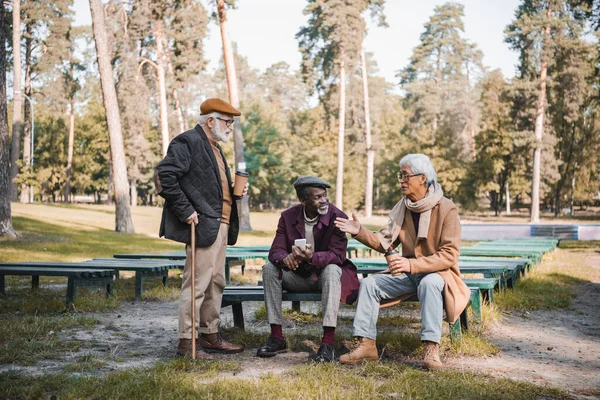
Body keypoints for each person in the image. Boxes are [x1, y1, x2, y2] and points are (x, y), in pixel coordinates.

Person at [334, 154, 470, 369]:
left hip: (439, 275)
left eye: (405, 176)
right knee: (369, 284)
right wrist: (359, 231)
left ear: (422, 178)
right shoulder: (403, 207)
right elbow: (384, 241)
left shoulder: (446, 208)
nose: (401, 180)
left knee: (430, 282)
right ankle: (366, 346)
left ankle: (431, 349)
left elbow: (449, 255)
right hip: (409, 276)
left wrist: (412, 265)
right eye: (400, 176)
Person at [156, 98, 248, 359]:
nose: (230, 127)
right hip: (202, 224)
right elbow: (165, 176)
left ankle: (210, 335)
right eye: (227, 121)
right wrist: (186, 211)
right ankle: (187, 343)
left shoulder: (215, 147)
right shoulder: (188, 141)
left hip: (220, 225)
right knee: (196, 284)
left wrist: (234, 193)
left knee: (215, 283)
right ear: (210, 121)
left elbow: (209, 187)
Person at [257, 176, 360, 362]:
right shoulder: (287, 217)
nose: (324, 200)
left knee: (332, 269)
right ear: (303, 200)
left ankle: (327, 343)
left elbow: (338, 255)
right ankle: (277, 338)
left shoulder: (338, 217)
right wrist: (285, 259)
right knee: (268, 269)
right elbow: (275, 250)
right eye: (317, 197)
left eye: (325, 195)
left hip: (324, 278)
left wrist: (312, 257)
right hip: (297, 276)